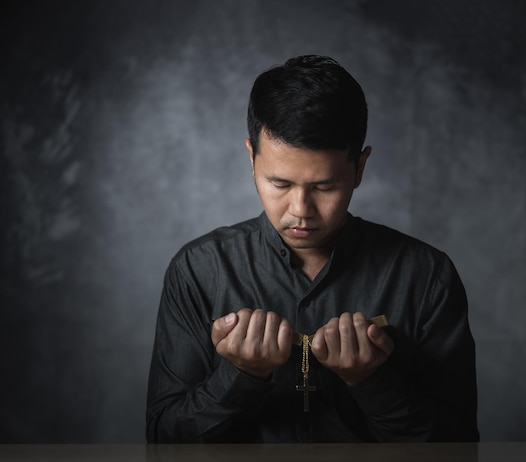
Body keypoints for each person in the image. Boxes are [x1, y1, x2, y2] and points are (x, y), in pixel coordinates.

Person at [146, 55, 479, 443]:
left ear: (360, 168)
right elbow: (164, 442)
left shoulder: (426, 277)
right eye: (280, 184)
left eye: (323, 187)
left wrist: (370, 379)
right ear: (251, 158)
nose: (300, 211)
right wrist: (240, 375)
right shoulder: (198, 271)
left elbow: (458, 447)